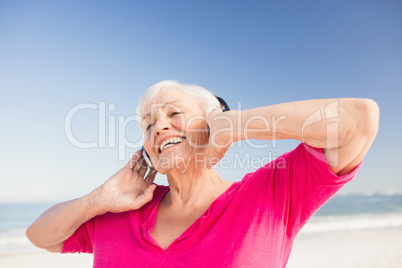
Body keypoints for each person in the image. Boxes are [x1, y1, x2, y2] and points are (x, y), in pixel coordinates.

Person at [26, 80, 379, 267]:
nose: (159, 127)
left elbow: (357, 121)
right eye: (148, 124)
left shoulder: (269, 195)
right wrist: (99, 199)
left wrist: (233, 126)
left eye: (174, 114)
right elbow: (41, 235)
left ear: (212, 121)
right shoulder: (120, 214)